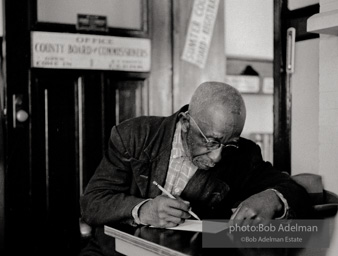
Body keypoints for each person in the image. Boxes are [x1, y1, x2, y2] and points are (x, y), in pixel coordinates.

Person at [80, 81, 313, 253]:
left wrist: (271, 198)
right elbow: (92, 203)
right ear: (185, 123)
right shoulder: (134, 136)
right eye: (211, 141)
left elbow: (292, 189)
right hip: (114, 252)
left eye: (228, 144)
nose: (218, 156)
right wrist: (144, 210)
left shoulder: (243, 155)